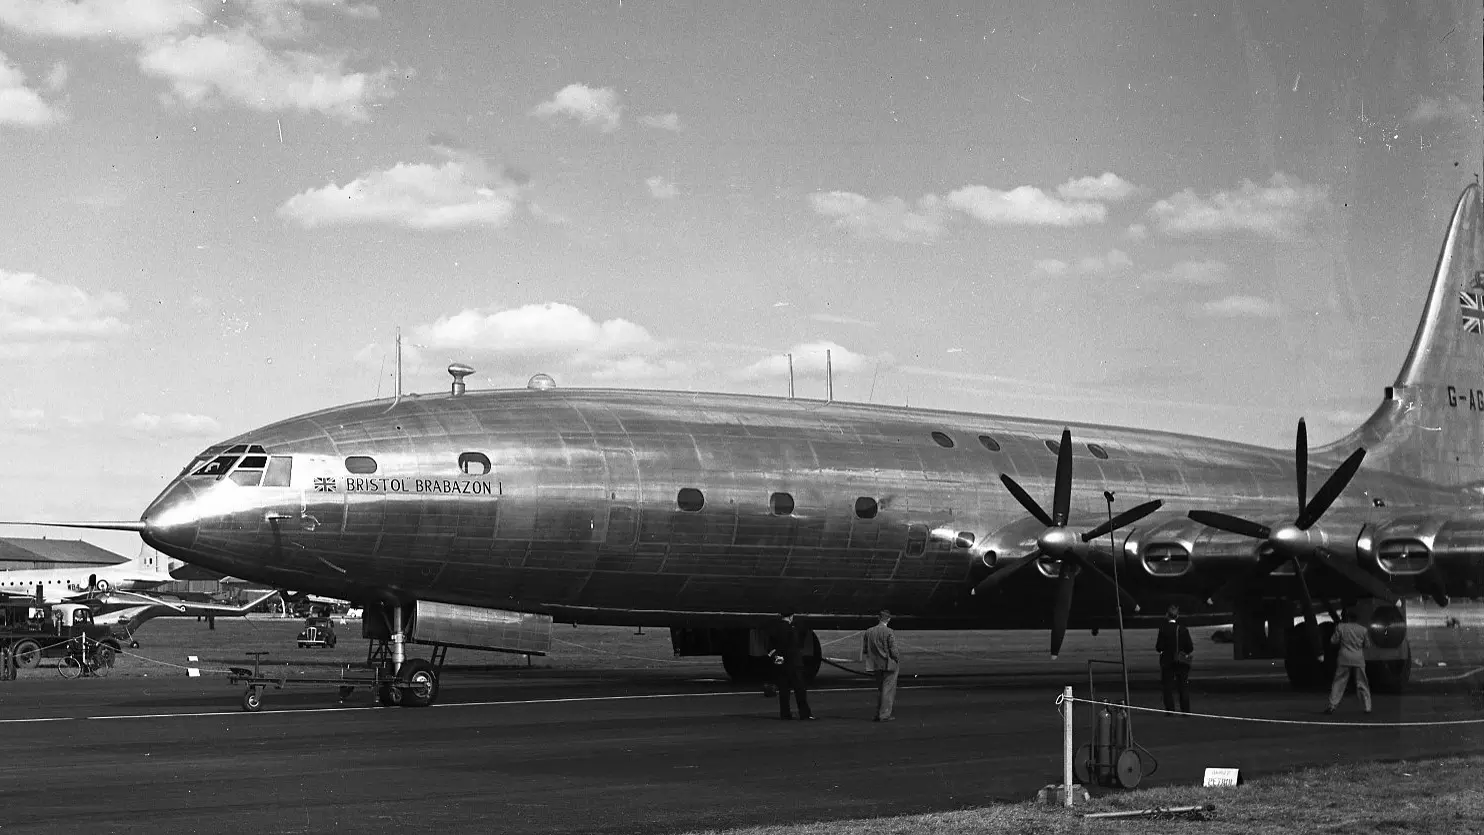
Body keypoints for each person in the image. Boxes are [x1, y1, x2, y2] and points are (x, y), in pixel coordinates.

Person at [767, 612, 814, 720]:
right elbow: (794, 645)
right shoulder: (791, 629)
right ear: (791, 616)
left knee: (784, 690)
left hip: (781, 663)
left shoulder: (775, 628)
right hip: (793, 663)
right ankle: (805, 714)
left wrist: (776, 656)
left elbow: (770, 646)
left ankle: (785, 714)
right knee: (800, 689)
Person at [1325, 610, 1372, 715]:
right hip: (1358, 659)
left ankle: (1332, 705)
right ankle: (1367, 707)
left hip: (1344, 658)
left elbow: (1333, 641)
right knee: (1362, 683)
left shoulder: (1341, 627)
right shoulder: (1363, 630)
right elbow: (1367, 645)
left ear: (1347, 618)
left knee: (1339, 682)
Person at [862, 609, 900, 721]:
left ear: (878, 618)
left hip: (875, 664)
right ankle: (884, 714)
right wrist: (897, 659)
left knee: (881, 690)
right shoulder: (889, 631)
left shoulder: (869, 631)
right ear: (888, 619)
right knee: (888, 690)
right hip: (888, 664)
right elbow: (893, 650)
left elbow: (865, 650)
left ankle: (879, 713)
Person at [1155, 604, 1193, 713]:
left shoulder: (1163, 629)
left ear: (1167, 615)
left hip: (1167, 661)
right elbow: (1190, 647)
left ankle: (1170, 709)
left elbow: (1159, 647)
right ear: (1177, 616)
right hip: (1181, 661)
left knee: (1167, 686)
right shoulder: (1183, 629)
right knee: (1183, 686)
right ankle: (1185, 710)